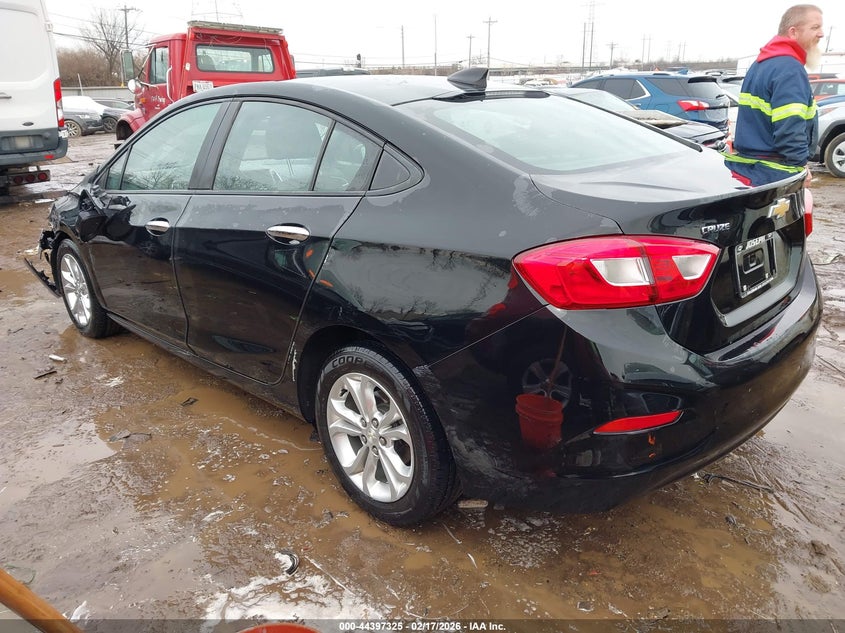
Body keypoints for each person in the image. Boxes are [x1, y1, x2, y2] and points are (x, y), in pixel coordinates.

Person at [726, 4, 824, 187]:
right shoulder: (789, 69)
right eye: (815, 27)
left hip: (753, 168)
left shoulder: (762, 63)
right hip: (776, 170)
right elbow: (790, 127)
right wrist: (800, 167)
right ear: (793, 32)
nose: (821, 34)